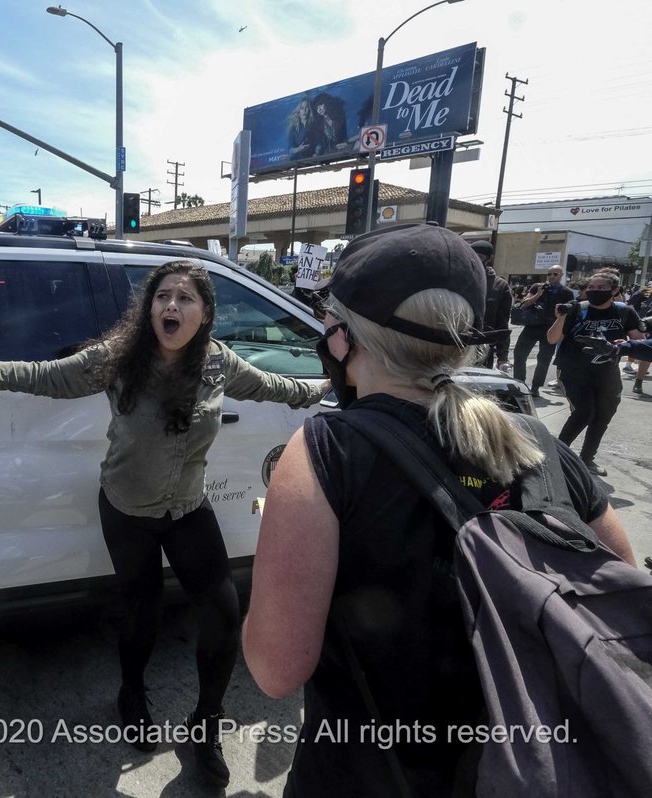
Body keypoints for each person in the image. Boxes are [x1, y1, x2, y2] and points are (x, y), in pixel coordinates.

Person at [0, 259, 325, 788]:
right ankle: (132, 693)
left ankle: (205, 725)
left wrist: (326, 388)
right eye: (163, 296)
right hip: (127, 512)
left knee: (223, 616)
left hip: (188, 509)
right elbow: (40, 377)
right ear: (149, 308)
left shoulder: (218, 363)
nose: (171, 306)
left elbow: (271, 386)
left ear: (205, 313)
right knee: (140, 615)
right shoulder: (118, 359)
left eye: (186, 298)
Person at [241, 223, 637, 797]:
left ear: (344, 337)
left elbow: (275, 670)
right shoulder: (534, 440)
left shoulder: (326, 449)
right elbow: (614, 598)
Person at [547, 271, 646, 474]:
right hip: (574, 372)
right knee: (583, 412)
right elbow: (552, 339)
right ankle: (556, 456)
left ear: (615, 290)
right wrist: (560, 318)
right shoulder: (576, 309)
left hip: (607, 373)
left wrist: (626, 343)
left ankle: (587, 459)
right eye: (591, 288)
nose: (595, 291)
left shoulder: (624, 312)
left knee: (603, 415)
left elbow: (639, 338)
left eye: (601, 288)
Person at [511, 265, 573, 399]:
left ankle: (536, 387)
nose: (551, 276)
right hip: (532, 326)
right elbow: (525, 304)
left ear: (561, 275)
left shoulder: (566, 292)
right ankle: (519, 382)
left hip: (550, 328)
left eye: (555, 274)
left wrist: (562, 330)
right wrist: (538, 294)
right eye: (549, 273)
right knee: (519, 354)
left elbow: (569, 313)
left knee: (544, 359)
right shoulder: (537, 287)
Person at [470, 240, 512, 371]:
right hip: (458, 344)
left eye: (480, 256)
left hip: (483, 345)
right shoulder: (460, 278)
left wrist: (502, 356)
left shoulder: (499, 286)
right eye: (472, 255)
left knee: (479, 387)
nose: (475, 259)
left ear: (489, 258)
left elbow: (502, 323)